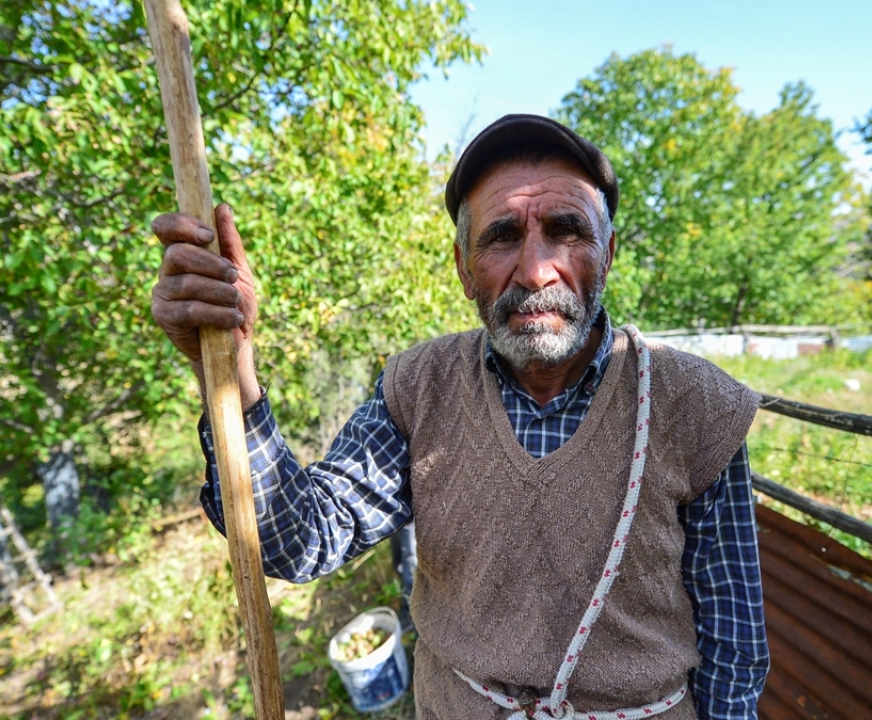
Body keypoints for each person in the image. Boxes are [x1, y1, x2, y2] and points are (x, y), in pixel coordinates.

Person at [150, 114, 769, 720]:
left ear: (608, 251)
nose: (535, 270)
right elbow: (299, 539)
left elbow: (735, 650)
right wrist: (231, 374)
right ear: (462, 266)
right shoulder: (420, 388)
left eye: (566, 229)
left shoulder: (693, 405)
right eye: (501, 236)